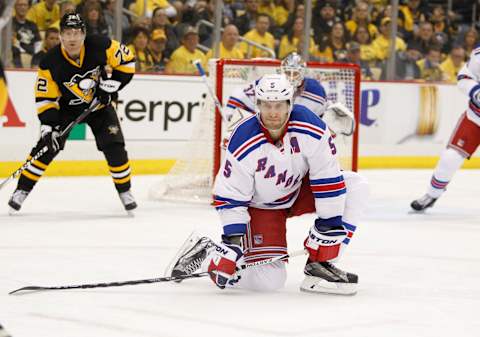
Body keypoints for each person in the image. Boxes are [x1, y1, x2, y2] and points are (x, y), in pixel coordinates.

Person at [167, 74, 369, 294]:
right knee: (268, 282)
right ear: (258, 105)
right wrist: (232, 243)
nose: (273, 112)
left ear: (289, 104)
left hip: (297, 191)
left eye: (279, 105)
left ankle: (319, 265)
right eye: (267, 105)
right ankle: (208, 255)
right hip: (261, 208)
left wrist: (328, 226)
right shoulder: (243, 138)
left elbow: (327, 177)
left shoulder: (311, 126)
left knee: (356, 185)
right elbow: (231, 193)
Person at [8, 13, 137, 214]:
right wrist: (48, 126)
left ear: (84, 34)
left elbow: (127, 61)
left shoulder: (100, 45)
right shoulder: (49, 62)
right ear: (60, 35)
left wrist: (112, 86)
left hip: (99, 107)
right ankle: (21, 191)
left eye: (77, 33)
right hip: (66, 109)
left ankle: (125, 191)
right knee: (46, 147)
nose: (72, 38)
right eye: (67, 33)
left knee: (115, 146)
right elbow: (45, 99)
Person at [410, 47, 480, 211]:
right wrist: (476, 92)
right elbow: (464, 78)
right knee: (450, 157)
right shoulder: (478, 55)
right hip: (475, 118)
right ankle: (432, 194)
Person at [224, 52, 355, 137]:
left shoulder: (316, 91)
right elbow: (239, 95)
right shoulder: (269, 83)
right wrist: (230, 115)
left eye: (295, 73)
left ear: (303, 73)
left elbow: (321, 118)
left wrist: (329, 128)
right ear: (281, 71)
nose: (291, 77)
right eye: (288, 72)